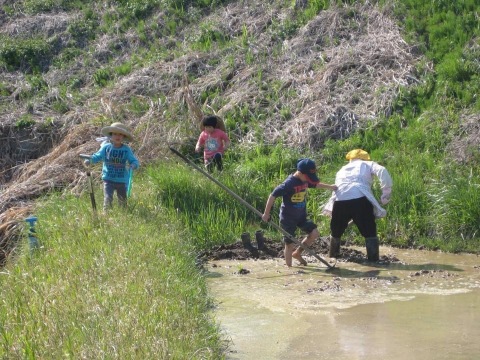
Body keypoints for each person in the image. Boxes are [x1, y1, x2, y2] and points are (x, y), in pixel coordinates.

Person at [262, 158, 337, 267]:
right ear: (300, 173)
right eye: (308, 177)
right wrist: (266, 213)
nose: (308, 180)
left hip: (301, 216)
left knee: (314, 233)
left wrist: (330, 187)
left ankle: (297, 253)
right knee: (289, 244)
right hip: (288, 218)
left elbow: (316, 185)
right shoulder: (289, 184)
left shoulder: (306, 180)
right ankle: (289, 268)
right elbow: (273, 195)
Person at [322, 149, 393, 261]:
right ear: (365, 157)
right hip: (360, 199)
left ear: (350, 159)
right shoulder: (368, 164)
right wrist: (386, 192)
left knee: (336, 231)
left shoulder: (342, 169)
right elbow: (382, 170)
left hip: (340, 201)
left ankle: (333, 256)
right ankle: (373, 260)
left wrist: (332, 209)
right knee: (369, 231)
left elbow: (336, 188)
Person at [84, 122, 140, 211]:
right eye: (115, 134)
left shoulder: (126, 149)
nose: (117, 136)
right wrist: (90, 160)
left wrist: (134, 165)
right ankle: (106, 214)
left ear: (124, 137)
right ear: (110, 135)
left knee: (122, 200)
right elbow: (97, 156)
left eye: (120, 134)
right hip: (108, 178)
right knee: (107, 198)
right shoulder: (106, 147)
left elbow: (134, 160)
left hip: (121, 179)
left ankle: (123, 214)